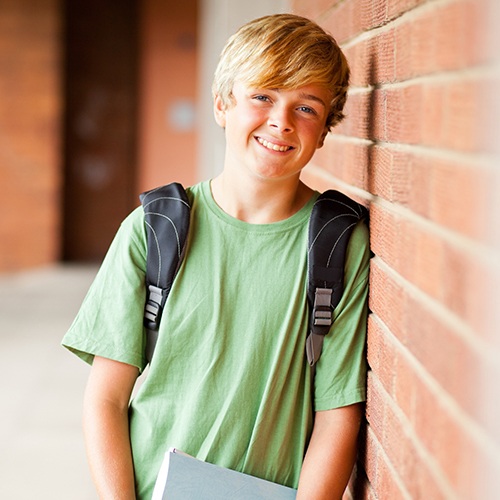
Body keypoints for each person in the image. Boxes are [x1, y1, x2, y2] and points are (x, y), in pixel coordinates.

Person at [62, 13, 370, 499]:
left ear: (326, 128)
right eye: (262, 96)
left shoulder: (336, 243)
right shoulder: (156, 228)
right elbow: (106, 398)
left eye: (306, 107)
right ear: (223, 104)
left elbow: (338, 414)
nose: (281, 122)